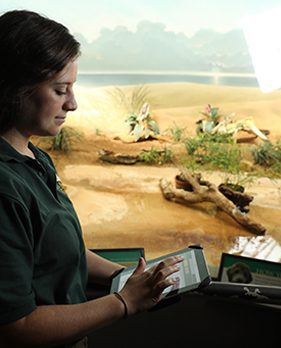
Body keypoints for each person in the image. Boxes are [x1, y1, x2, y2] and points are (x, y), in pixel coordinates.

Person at [0, 9, 183, 348]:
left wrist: (124, 276)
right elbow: (16, 326)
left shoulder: (35, 158)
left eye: (73, 88)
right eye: (60, 90)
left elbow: (64, 251)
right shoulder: (5, 187)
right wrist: (124, 301)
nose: (73, 103)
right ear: (15, 88)